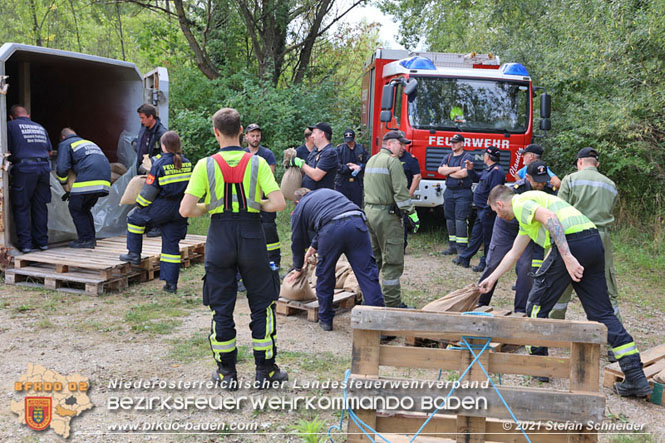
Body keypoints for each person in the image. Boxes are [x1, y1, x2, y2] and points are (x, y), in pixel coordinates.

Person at [479, 185, 651, 397]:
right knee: (602, 313)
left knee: (535, 306)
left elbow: (551, 219)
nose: (500, 216)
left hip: (570, 243)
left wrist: (568, 256)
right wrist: (491, 278)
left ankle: (539, 366)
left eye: (497, 212)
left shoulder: (521, 203)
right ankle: (635, 376)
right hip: (592, 240)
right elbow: (513, 253)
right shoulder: (530, 211)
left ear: (499, 204)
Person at [179, 108, 287, 391]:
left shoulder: (205, 165)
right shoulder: (257, 162)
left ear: (216, 132)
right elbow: (278, 203)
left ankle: (227, 373)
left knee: (221, 307)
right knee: (262, 304)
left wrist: (212, 206)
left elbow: (186, 209)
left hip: (220, 237)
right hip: (252, 234)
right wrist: (256, 204)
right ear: (241, 131)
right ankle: (266, 371)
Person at [551, 148, 623, 354]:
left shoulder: (570, 180)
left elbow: (558, 211)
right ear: (597, 164)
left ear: (579, 162)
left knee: (560, 283)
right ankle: (614, 345)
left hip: (574, 235)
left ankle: (554, 335)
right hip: (601, 238)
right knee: (606, 288)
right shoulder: (610, 185)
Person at [288, 188, 384, 331]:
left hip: (332, 230)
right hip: (357, 222)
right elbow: (332, 214)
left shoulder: (300, 208)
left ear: (297, 202)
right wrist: (313, 246)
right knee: (367, 274)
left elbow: (297, 241)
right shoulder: (326, 193)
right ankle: (378, 325)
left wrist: (297, 268)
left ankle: (326, 320)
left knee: (325, 273)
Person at [477, 160, 556, 313]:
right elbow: (494, 200)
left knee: (526, 267)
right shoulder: (514, 189)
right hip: (507, 228)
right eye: (537, 181)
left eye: (543, 180)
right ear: (527, 177)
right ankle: (480, 302)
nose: (541, 184)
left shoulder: (549, 190)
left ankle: (521, 310)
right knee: (493, 263)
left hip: (528, 230)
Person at [119, 131, 191, 292]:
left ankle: (134, 254)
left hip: (162, 207)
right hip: (180, 208)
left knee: (133, 218)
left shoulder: (159, 164)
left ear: (164, 146)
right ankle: (171, 285)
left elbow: (149, 192)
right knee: (171, 247)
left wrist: (139, 205)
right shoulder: (186, 162)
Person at [364, 130, 420, 308]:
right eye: (400, 143)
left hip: (370, 212)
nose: (403, 147)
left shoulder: (372, 159)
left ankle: (369, 300)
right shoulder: (392, 161)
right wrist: (412, 215)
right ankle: (393, 305)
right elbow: (401, 193)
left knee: (375, 259)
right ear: (389, 144)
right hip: (387, 216)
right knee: (392, 262)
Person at [6, 105, 52, 253]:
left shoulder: (10, 126)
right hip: (44, 168)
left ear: (11, 116)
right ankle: (42, 242)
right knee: (40, 205)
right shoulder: (39, 127)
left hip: (25, 169)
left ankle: (26, 245)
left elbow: (5, 150)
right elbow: (50, 151)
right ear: (28, 115)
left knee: (21, 206)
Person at [55, 128, 111, 248]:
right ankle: (90, 239)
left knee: (75, 208)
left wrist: (63, 183)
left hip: (89, 178)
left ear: (63, 137)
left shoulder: (65, 144)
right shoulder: (87, 142)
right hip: (104, 179)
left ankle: (85, 240)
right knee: (84, 208)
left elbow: (62, 167)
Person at [456, 146, 505, 270]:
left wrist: (489, 209)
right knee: (476, 235)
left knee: (488, 239)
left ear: (488, 156)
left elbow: (495, 192)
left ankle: (485, 264)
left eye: (484, 155)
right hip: (481, 209)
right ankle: (465, 258)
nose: (483, 157)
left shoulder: (497, 171)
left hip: (488, 210)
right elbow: (477, 178)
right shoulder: (488, 170)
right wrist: (470, 170)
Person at [244, 123, 281, 268]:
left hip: (266, 200)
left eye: (257, 135)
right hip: (247, 200)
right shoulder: (242, 154)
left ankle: (274, 261)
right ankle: (254, 261)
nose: (255, 138)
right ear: (246, 136)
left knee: (269, 230)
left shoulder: (267, 154)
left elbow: (269, 179)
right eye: (252, 135)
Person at [438, 134, 473, 257]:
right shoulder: (447, 157)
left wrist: (448, 172)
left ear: (462, 143)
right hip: (449, 191)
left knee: (460, 219)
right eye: (451, 142)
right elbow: (440, 170)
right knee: (450, 219)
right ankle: (452, 246)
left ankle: (462, 248)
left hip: (462, 192)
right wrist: (456, 169)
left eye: (456, 142)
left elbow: (464, 173)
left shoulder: (467, 157)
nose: (453, 144)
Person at [289, 122, 337, 190]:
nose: (312, 136)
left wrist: (301, 163)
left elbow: (316, 175)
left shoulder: (330, 153)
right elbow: (308, 171)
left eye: (314, 133)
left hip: (321, 197)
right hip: (308, 194)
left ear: (322, 134)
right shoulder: (315, 151)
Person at [335, 128, 369, 207]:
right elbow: (337, 166)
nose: (349, 143)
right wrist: (349, 168)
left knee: (356, 205)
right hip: (343, 183)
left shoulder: (361, 148)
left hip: (357, 182)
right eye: (347, 141)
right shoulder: (339, 149)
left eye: (351, 141)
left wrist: (359, 167)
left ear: (354, 138)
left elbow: (368, 162)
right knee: (342, 206)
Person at [398, 135, 421, 251]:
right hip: (389, 195)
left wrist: (409, 194)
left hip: (403, 196)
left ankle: (402, 245)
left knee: (403, 220)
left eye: (404, 145)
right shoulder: (389, 158)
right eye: (401, 144)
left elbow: (417, 176)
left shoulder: (410, 159)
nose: (403, 147)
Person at [134, 103, 167, 174]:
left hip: (153, 170)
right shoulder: (144, 127)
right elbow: (140, 138)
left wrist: (151, 161)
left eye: (142, 118)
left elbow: (165, 153)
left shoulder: (161, 133)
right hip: (140, 168)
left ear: (151, 117)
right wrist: (135, 142)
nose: (141, 120)